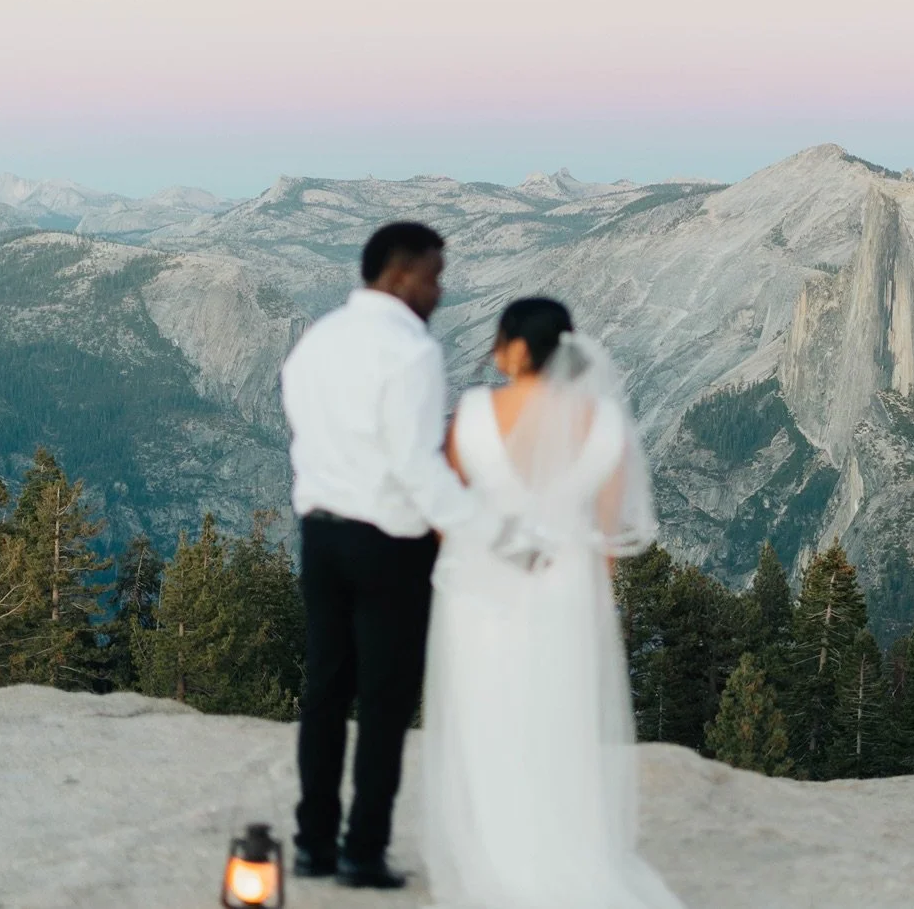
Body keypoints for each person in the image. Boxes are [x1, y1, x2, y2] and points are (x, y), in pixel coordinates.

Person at [420, 297, 687, 909]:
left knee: (488, 713)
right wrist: (590, 593)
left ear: (516, 349)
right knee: (559, 716)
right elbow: (609, 533)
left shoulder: (476, 414)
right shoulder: (605, 423)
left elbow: (447, 507)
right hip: (568, 587)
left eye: (499, 338)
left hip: (484, 589)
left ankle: (496, 854)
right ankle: (564, 850)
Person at [280, 221, 478, 889]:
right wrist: (478, 528)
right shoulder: (411, 352)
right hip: (389, 543)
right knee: (385, 702)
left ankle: (312, 844)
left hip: (320, 534)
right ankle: (362, 852)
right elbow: (418, 467)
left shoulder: (318, 337)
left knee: (325, 691)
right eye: (434, 275)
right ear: (400, 274)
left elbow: (301, 423)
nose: (440, 290)